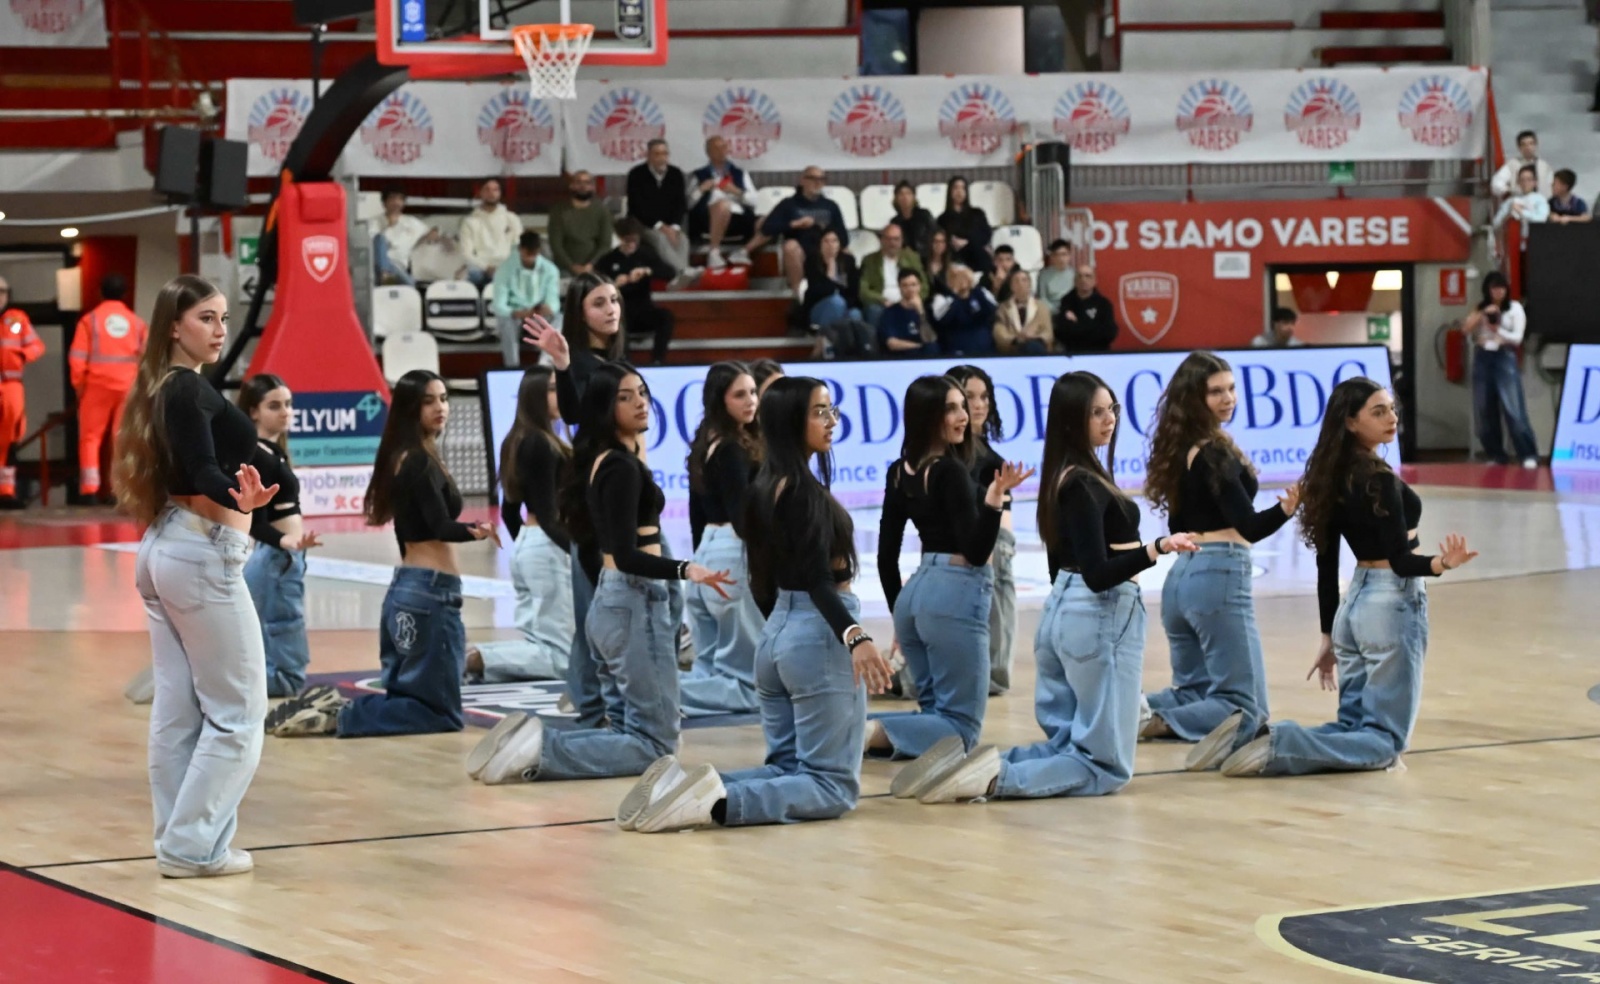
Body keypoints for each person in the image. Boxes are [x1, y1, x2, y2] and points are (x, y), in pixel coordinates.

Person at [896, 373, 1198, 804]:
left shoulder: (1062, 477)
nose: (1109, 419)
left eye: (1112, 409)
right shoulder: (1082, 484)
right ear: (1073, 420)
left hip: (1064, 611)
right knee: (1105, 765)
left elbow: (1063, 566)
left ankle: (972, 767)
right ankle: (993, 779)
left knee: (1065, 744)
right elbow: (1097, 574)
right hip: (1101, 612)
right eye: (1097, 412)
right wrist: (1158, 547)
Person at [614, 376, 893, 832]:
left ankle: (681, 789)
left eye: (831, 409)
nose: (831, 420)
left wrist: (781, 636)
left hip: (777, 632)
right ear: (790, 421)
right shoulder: (802, 492)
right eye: (819, 411)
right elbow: (818, 579)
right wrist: (855, 636)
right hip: (818, 634)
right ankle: (713, 804)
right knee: (831, 785)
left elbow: (762, 580)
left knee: (786, 768)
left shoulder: (765, 485)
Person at [467, 363, 732, 785]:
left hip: (614, 599)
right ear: (605, 408)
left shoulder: (605, 461)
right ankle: (541, 748)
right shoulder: (619, 468)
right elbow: (625, 555)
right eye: (625, 397)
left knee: (628, 728)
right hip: (632, 597)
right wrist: (686, 570)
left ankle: (531, 746)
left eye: (641, 392)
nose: (640, 402)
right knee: (655, 744)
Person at [1202, 377, 1477, 777]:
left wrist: (1329, 634)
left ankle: (1248, 736)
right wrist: (1441, 563)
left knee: (1352, 727)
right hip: (1391, 603)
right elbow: (1401, 562)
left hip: (1354, 608)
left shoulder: (1329, 476)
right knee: (1384, 742)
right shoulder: (1380, 480)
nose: (1391, 418)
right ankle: (1280, 742)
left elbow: (1326, 565)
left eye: (1392, 409)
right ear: (1350, 422)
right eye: (1378, 412)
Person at [114, 274, 275, 878]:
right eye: (206, 318)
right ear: (173, 326)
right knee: (239, 713)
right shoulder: (182, 388)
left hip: (170, 547)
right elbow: (203, 469)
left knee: (179, 712)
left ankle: (180, 842)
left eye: (224, 318)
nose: (220, 329)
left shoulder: (170, 386)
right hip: (199, 556)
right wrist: (240, 494)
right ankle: (192, 847)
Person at [271, 369, 500, 738]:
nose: (440, 407)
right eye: (428, 401)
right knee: (441, 713)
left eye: (443, 399)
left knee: (410, 696)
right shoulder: (417, 461)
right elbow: (439, 527)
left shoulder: (406, 456)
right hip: (429, 594)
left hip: (410, 590)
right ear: (410, 408)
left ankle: (335, 710)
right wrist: (478, 529)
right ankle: (342, 714)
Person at [1141, 352, 1300, 770]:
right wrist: (1288, 508)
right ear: (1195, 398)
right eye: (1216, 391)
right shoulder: (1214, 453)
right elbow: (1248, 526)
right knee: (1247, 708)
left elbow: (1179, 522)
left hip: (1181, 579)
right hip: (1218, 575)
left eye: (1231, 388)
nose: (1228, 398)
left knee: (1193, 693)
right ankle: (1152, 720)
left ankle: (1122, 707)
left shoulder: (1182, 449)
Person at [870, 375, 1029, 760]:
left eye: (963, 407)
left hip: (915, 594)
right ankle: (862, 732)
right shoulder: (949, 471)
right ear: (928, 416)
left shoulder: (899, 471)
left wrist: (900, 614)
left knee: (934, 714)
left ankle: (853, 729)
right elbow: (976, 550)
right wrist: (995, 499)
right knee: (960, 729)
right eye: (951, 409)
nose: (963, 416)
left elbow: (885, 556)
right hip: (955, 591)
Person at [523, 275, 636, 729]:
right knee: (597, 607)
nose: (611, 309)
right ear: (580, 312)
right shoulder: (583, 363)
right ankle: (593, 701)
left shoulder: (618, 360)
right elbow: (573, 413)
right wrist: (564, 364)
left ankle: (592, 694)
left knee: (615, 604)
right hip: (597, 500)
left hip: (626, 491)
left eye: (615, 300)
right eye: (599, 303)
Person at [464, 366, 573, 685]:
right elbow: (548, 514)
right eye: (552, 389)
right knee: (561, 658)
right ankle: (472, 659)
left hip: (530, 543)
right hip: (547, 545)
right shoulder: (541, 443)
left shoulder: (517, 439)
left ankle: (476, 661)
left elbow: (510, 512)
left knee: (543, 642)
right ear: (535, 396)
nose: (560, 395)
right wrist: (578, 552)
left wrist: (527, 547)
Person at [681, 362, 765, 717]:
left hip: (708, 552)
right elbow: (742, 516)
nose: (751, 400)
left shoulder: (705, 444)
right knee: (751, 687)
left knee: (709, 668)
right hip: (733, 553)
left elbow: (696, 516)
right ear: (720, 400)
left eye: (753, 392)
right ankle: (648, 694)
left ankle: (647, 692)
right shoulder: (731, 448)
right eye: (740, 394)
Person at [238, 374, 321, 702]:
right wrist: (286, 543)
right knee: (288, 677)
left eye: (288, 404)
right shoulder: (258, 456)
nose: (286, 412)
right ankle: (217, 688)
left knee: (268, 645)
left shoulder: (272, 452)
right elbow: (254, 521)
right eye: (274, 406)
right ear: (253, 411)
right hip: (276, 558)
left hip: (280, 558)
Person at [946, 365, 1020, 696]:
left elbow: (1003, 526)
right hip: (954, 551)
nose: (979, 405)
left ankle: (993, 673)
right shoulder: (945, 454)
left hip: (991, 547)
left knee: (997, 597)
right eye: (970, 397)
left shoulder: (990, 460)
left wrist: (998, 548)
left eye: (984, 397)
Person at [71, 273, 148, 500]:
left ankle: (89, 490)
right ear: (124, 294)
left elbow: (77, 358)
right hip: (128, 387)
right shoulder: (137, 323)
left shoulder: (89, 321)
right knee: (121, 439)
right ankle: (118, 491)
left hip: (96, 386)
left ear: (100, 293)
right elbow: (147, 359)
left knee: (90, 438)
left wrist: (79, 386)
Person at [1461, 271, 1539, 468]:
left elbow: (1517, 338)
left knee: (1514, 409)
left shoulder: (1514, 308)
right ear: (1487, 290)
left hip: (1504, 357)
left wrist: (1498, 331)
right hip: (1483, 358)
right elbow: (1465, 329)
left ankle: (1528, 454)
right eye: (1494, 288)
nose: (1498, 292)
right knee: (1484, 409)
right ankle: (1496, 454)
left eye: (1501, 287)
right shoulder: (1480, 308)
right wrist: (1483, 314)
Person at [752, 166, 847, 293]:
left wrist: (824, 228)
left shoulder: (831, 206)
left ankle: (841, 292)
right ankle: (798, 294)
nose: (817, 183)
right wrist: (793, 224)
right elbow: (767, 228)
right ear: (802, 180)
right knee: (790, 246)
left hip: (824, 249)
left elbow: (844, 237)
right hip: (800, 249)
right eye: (813, 178)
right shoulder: (789, 204)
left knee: (844, 249)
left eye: (821, 179)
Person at [596, 217, 676, 365]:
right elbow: (596, 290)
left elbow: (670, 272)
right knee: (617, 321)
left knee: (666, 317)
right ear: (619, 238)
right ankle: (625, 363)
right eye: (627, 240)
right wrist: (614, 285)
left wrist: (647, 271)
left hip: (644, 309)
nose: (632, 244)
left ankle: (658, 360)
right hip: (620, 311)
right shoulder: (607, 261)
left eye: (635, 240)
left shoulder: (646, 255)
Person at [0, 275, 44, 507]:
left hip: (11, 386)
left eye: (3, 292)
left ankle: (6, 491)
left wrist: (22, 355)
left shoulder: (16, 319)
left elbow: (36, 345)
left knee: (10, 438)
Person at [688, 135, 760, 270]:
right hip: (707, 219)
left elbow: (756, 201)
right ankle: (714, 253)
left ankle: (743, 252)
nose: (721, 151)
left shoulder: (740, 173)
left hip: (738, 219)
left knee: (770, 220)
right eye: (717, 148)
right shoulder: (699, 175)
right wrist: (700, 190)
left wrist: (737, 192)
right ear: (708, 152)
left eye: (724, 147)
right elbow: (687, 204)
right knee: (722, 205)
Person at [489, 231, 560, 368]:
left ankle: (544, 365)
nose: (531, 258)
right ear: (520, 250)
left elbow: (553, 302)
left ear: (539, 251)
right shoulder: (504, 269)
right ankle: (512, 366)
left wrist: (547, 308)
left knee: (559, 318)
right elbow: (499, 305)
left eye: (534, 254)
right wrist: (517, 313)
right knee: (505, 321)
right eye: (528, 254)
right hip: (515, 315)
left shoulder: (550, 270)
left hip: (538, 316)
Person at [625, 138, 691, 274]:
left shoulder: (675, 174)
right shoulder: (636, 174)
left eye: (665, 154)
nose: (662, 158)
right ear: (648, 155)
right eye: (657, 154)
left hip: (671, 225)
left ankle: (683, 272)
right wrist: (661, 226)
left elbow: (680, 204)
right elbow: (637, 207)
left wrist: (674, 227)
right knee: (660, 239)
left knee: (683, 240)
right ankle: (683, 271)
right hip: (645, 225)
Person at [802, 228, 870, 357]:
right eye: (826, 241)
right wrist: (830, 270)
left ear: (839, 244)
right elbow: (819, 292)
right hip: (818, 308)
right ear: (820, 244)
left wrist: (845, 304)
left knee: (855, 314)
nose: (830, 245)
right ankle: (823, 342)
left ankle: (853, 355)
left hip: (845, 307)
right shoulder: (812, 261)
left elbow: (853, 292)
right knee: (836, 302)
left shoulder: (848, 261)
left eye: (834, 241)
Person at [548, 170, 616, 278]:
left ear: (593, 187)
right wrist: (572, 266)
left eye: (587, 182)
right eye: (578, 182)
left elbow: (605, 244)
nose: (583, 186)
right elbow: (556, 245)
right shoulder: (559, 211)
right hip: (564, 269)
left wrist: (590, 265)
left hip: (595, 268)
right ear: (571, 186)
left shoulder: (602, 211)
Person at [458, 177, 524, 287]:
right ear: (480, 193)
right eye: (487, 189)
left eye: (495, 190)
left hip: (505, 265)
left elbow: (518, 248)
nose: (491, 193)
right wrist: (486, 267)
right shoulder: (469, 222)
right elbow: (466, 253)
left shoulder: (512, 219)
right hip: (479, 268)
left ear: (500, 193)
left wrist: (502, 267)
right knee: (468, 276)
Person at [858, 223, 927, 329]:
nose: (892, 243)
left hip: (908, 299)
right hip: (882, 304)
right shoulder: (870, 260)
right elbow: (863, 290)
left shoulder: (912, 258)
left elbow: (924, 285)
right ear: (881, 240)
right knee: (874, 310)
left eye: (896, 239)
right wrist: (882, 300)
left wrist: (912, 298)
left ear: (902, 240)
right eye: (888, 239)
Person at [369, 188, 436, 287]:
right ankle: (385, 275)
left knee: (411, 287)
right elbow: (372, 245)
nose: (396, 202)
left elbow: (431, 231)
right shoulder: (373, 222)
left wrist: (435, 232)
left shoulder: (411, 222)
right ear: (384, 203)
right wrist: (389, 226)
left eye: (400, 199)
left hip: (399, 268)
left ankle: (388, 279)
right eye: (392, 198)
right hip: (377, 270)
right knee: (379, 239)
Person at [931, 264, 998, 356]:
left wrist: (975, 287)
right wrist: (955, 293)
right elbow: (942, 319)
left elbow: (993, 310)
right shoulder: (941, 298)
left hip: (984, 348)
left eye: (964, 276)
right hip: (955, 350)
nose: (961, 280)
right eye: (955, 277)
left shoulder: (981, 292)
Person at [1056, 264, 1118, 352]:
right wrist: (1091, 327)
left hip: (1099, 352)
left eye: (1088, 276)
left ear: (1095, 281)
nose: (1083, 279)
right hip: (1073, 352)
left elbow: (1109, 333)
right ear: (1074, 281)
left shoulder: (1104, 304)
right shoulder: (1066, 302)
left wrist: (1077, 325)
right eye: (1080, 276)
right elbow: (1062, 331)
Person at [937, 176, 993, 274]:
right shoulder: (942, 219)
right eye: (956, 188)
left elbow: (986, 234)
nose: (959, 191)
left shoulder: (977, 214)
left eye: (963, 188)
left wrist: (968, 242)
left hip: (976, 256)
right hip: (955, 259)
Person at [877, 270, 939, 358]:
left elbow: (930, 340)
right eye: (905, 285)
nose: (910, 289)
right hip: (901, 357)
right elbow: (892, 343)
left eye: (913, 285)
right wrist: (919, 346)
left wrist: (921, 312)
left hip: (926, 357)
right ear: (899, 288)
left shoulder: (928, 310)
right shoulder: (890, 312)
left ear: (919, 286)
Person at [993, 268, 1054, 356]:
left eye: (1024, 280)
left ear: (1030, 284)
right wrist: (1016, 339)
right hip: (1013, 349)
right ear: (1011, 286)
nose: (1020, 284)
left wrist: (1035, 337)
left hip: (1037, 347)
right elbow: (999, 332)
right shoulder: (1003, 308)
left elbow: (1048, 332)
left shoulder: (1041, 307)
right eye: (1016, 281)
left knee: (1032, 347)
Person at [1490, 130, 1553, 200]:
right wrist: (1510, 191)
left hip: (1542, 203)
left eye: (1531, 144)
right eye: (1524, 145)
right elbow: (1496, 184)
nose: (1528, 147)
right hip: (1520, 203)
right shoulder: (1512, 164)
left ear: (1536, 145)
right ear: (1519, 147)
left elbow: (1551, 186)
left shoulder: (1544, 166)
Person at [888, 180, 937, 257]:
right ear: (896, 198)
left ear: (914, 197)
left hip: (925, 257)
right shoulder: (895, 222)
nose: (905, 197)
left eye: (908, 193)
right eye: (901, 194)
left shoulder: (924, 215)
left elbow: (935, 235)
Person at [1036, 239, 1076, 312]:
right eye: (1057, 255)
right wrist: (1057, 311)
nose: (1061, 258)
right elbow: (1042, 298)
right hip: (1051, 312)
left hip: (1071, 311)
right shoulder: (1044, 275)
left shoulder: (1075, 274)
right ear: (1052, 257)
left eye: (1064, 254)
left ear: (1069, 256)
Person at [923, 229, 954, 297]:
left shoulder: (950, 266)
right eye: (936, 241)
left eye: (942, 242)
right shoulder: (923, 263)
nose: (939, 245)